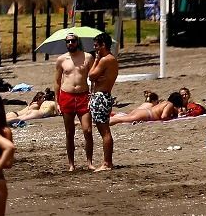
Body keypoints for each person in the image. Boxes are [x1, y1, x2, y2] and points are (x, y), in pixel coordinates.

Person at [54, 34, 95, 172]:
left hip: (83, 96)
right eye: (68, 41)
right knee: (69, 132)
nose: (70, 43)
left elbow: (94, 77)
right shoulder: (61, 60)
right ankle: (71, 164)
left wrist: (92, 94)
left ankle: (89, 162)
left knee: (87, 130)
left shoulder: (88, 57)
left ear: (78, 42)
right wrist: (57, 101)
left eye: (73, 41)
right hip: (67, 96)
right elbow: (57, 81)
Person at [86, 31, 118, 170]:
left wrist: (97, 59)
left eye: (96, 46)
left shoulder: (105, 60)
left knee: (104, 131)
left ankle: (107, 163)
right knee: (104, 130)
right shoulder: (112, 60)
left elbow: (91, 76)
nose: (95, 49)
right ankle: (107, 162)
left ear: (103, 45)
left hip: (101, 96)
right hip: (104, 95)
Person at [109, 90, 181, 124]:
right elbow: (163, 116)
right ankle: (103, 123)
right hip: (147, 115)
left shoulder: (165, 102)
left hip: (143, 112)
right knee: (120, 120)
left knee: (121, 118)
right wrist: (170, 118)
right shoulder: (170, 104)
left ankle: (102, 121)